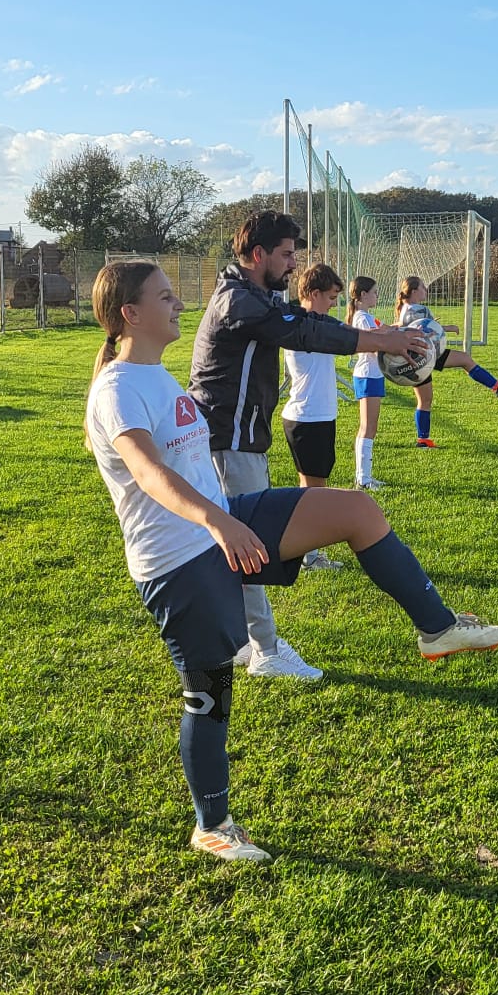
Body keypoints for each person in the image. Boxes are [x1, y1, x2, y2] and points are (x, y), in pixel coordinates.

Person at [87, 260, 498, 863]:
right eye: (165, 297)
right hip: (179, 559)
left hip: (226, 520)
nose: (178, 304)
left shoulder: (154, 376)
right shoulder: (117, 389)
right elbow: (147, 472)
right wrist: (217, 521)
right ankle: (212, 824)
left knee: (356, 511)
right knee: (209, 691)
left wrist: (226, 511)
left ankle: (437, 627)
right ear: (131, 313)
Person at [189, 211, 425, 681]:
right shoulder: (238, 300)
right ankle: (266, 650)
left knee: (232, 546)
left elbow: (303, 322)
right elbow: (305, 331)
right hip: (227, 442)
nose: (293, 263)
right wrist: (381, 338)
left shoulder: (255, 294)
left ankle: (235, 640)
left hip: (237, 440)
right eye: (285, 254)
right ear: (259, 255)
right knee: (249, 549)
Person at [396, 275, 498, 448]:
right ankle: (496, 386)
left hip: (415, 357)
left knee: (426, 399)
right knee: (465, 360)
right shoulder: (418, 309)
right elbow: (421, 329)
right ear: (414, 291)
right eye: (423, 287)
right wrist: (447, 328)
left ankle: (423, 440)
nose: (426, 290)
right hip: (425, 355)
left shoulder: (406, 308)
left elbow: (408, 327)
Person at [282, 263, 349, 569]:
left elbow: (354, 335)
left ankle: (306, 554)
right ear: (313, 293)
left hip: (317, 417)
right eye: (331, 296)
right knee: (314, 494)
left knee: (311, 490)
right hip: (307, 419)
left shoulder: (321, 324)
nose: (334, 303)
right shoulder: (305, 326)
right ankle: (309, 557)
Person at [346, 276, 387, 490]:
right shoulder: (362, 317)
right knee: (367, 427)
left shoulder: (367, 317)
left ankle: (365, 476)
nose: (377, 296)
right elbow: (369, 344)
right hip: (367, 374)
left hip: (374, 374)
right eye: (374, 292)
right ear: (363, 295)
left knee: (371, 427)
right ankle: (363, 478)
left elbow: (382, 333)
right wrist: (387, 340)